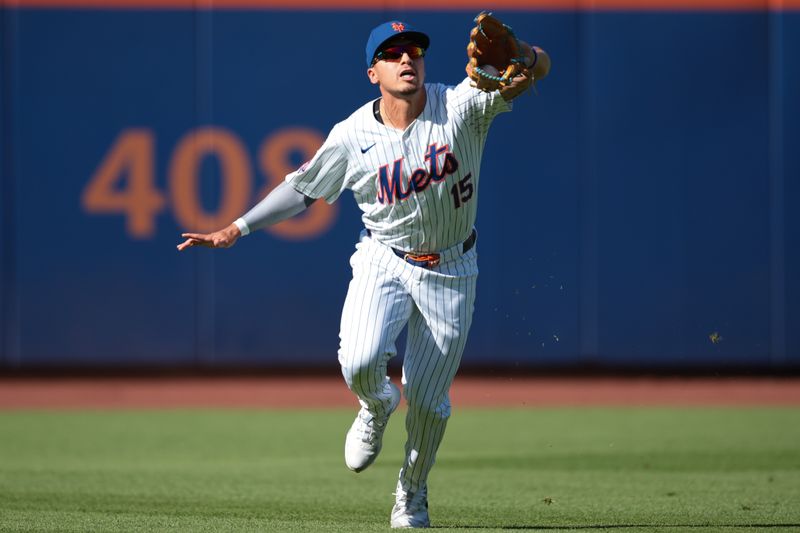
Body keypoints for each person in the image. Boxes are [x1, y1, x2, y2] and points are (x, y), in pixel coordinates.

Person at [178, 18, 550, 528]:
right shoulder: (352, 135)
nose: (406, 60)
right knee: (358, 361)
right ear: (372, 71)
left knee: (427, 401)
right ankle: (376, 404)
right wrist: (237, 227)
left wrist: (525, 56)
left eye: (414, 52)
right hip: (385, 259)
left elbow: (540, 68)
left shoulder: (461, 102)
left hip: (452, 267)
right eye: (393, 54)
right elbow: (302, 189)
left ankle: (411, 493)